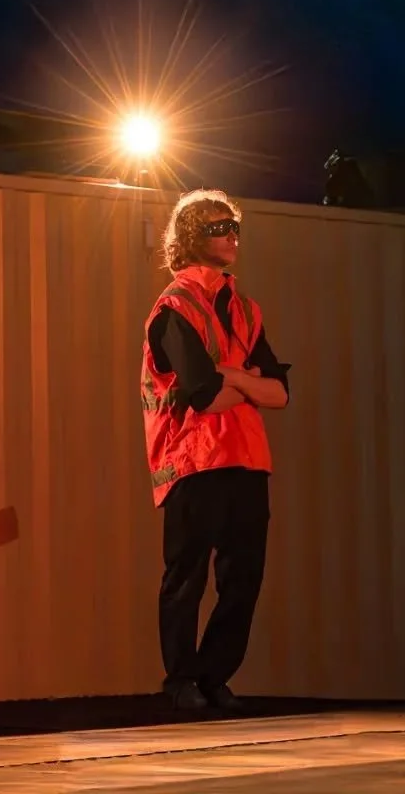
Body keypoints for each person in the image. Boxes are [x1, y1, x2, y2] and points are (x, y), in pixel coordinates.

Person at [140, 188, 291, 712]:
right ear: (189, 239)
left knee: (243, 578)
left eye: (234, 228)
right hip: (193, 459)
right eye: (218, 228)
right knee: (187, 578)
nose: (231, 237)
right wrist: (246, 380)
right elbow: (204, 396)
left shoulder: (246, 309)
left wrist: (236, 378)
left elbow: (281, 393)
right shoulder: (174, 307)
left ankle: (212, 677)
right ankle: (181, 681)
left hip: (247, 459)